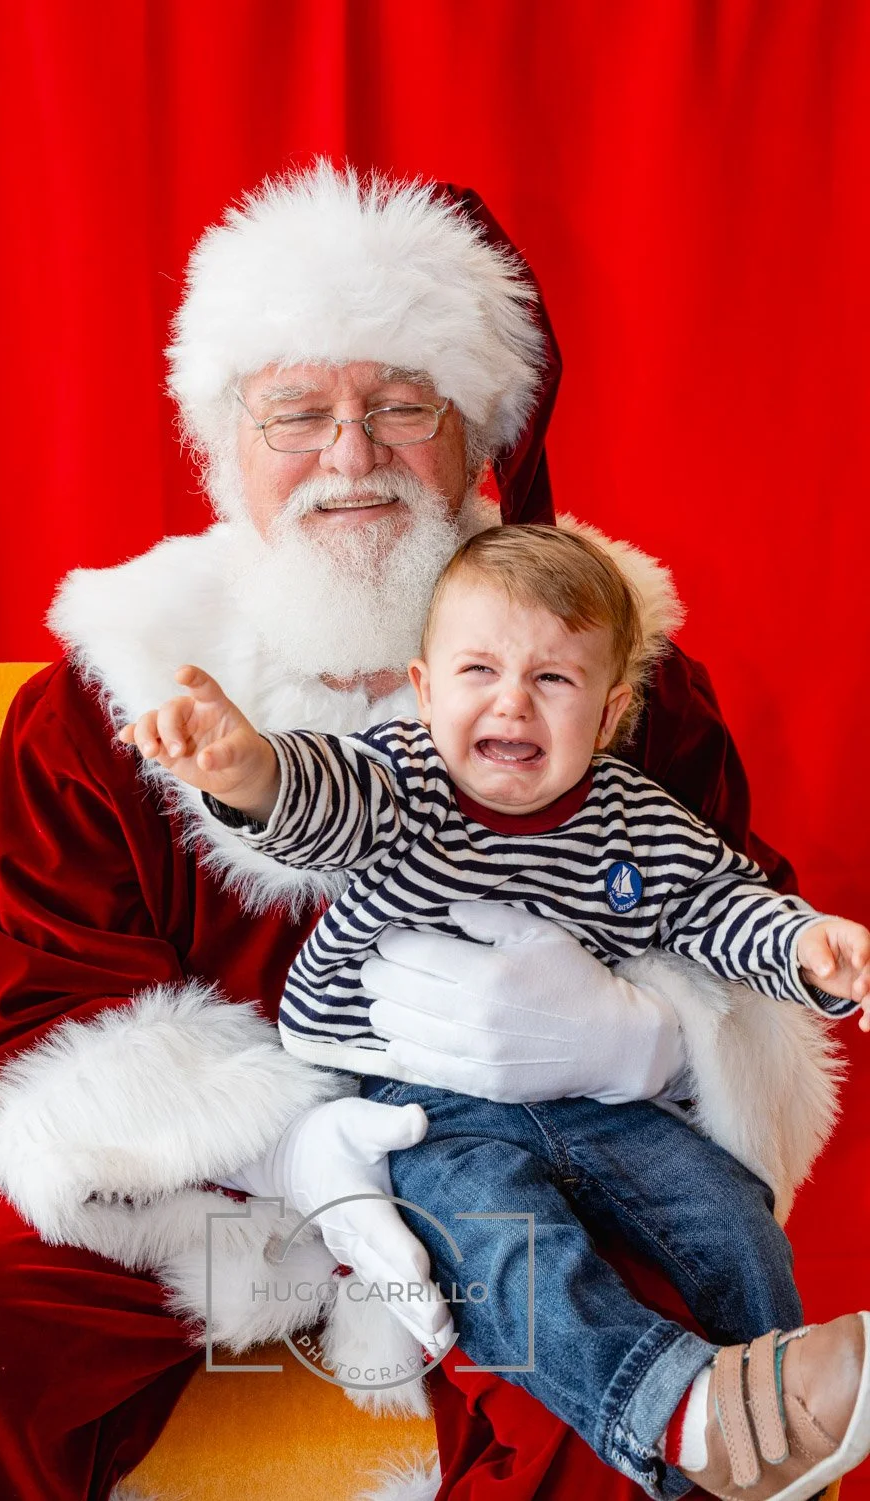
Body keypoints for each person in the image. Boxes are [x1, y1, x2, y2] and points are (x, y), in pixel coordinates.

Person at [0, 164, 842, 1501]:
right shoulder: (112, 695)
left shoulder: (618, 676)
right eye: (298, 412)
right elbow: (40, 1009)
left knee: (668, 1380)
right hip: (198, 1209)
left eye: (400, 406)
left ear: (475, 429)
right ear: (226, 442)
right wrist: (284, 1143)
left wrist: (637, 1036)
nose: (350, 456)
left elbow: (739, 934)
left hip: (523, 1185)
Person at [124, 520, 870, 1501]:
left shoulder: (634, 818)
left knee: (729, 1211)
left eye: (552, 680)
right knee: (507, 1248)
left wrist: (804, 947)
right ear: (426, 690)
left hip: (589, 1093)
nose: (511, 700)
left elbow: (714, 904)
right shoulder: (403, 783)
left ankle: (780, 1431)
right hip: (417, 1098)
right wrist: (247, 769)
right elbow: (323, 800)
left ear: (606, 715)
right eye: (478, 669)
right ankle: (675, 1412)